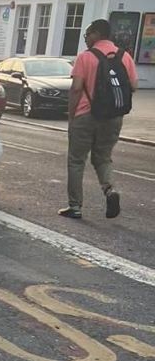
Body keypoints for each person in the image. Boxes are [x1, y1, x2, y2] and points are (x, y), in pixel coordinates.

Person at [59, 19, 139, 220]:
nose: (85, 39)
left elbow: (76, 88)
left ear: (96, 34)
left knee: (76, 161)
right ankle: (110, 190)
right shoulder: (124, 57)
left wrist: (71, 116)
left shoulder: (85, 57)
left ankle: (75, 206)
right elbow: (134, 86)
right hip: (113, 117)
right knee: (103, 158)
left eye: (87, 34)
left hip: (85, 115)